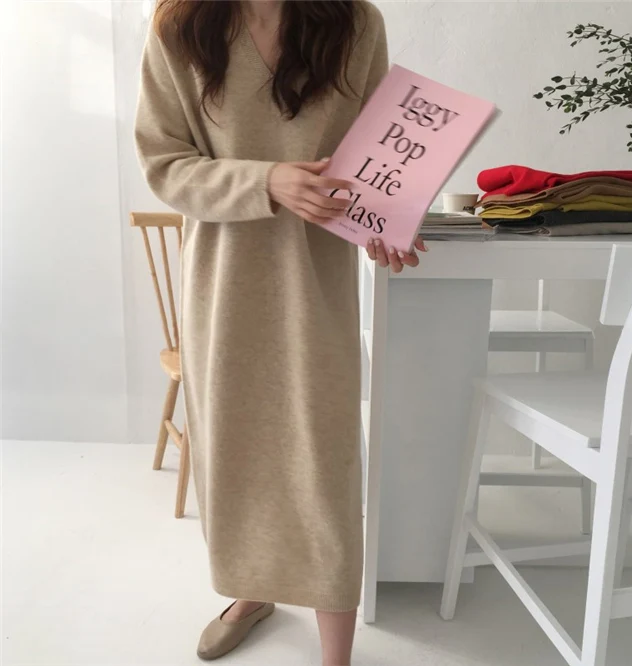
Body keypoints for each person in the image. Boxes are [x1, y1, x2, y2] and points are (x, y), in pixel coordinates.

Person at [134, 1, 425, 663]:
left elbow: (379, 159)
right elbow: (163, 162)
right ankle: (251, 593)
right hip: (223, 280)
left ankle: (335, 650)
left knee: (322, 459)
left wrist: (389, 220)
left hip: (314, 280)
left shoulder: (355, 23)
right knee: (235, 451)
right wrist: (266, 180)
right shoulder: (180, 25)